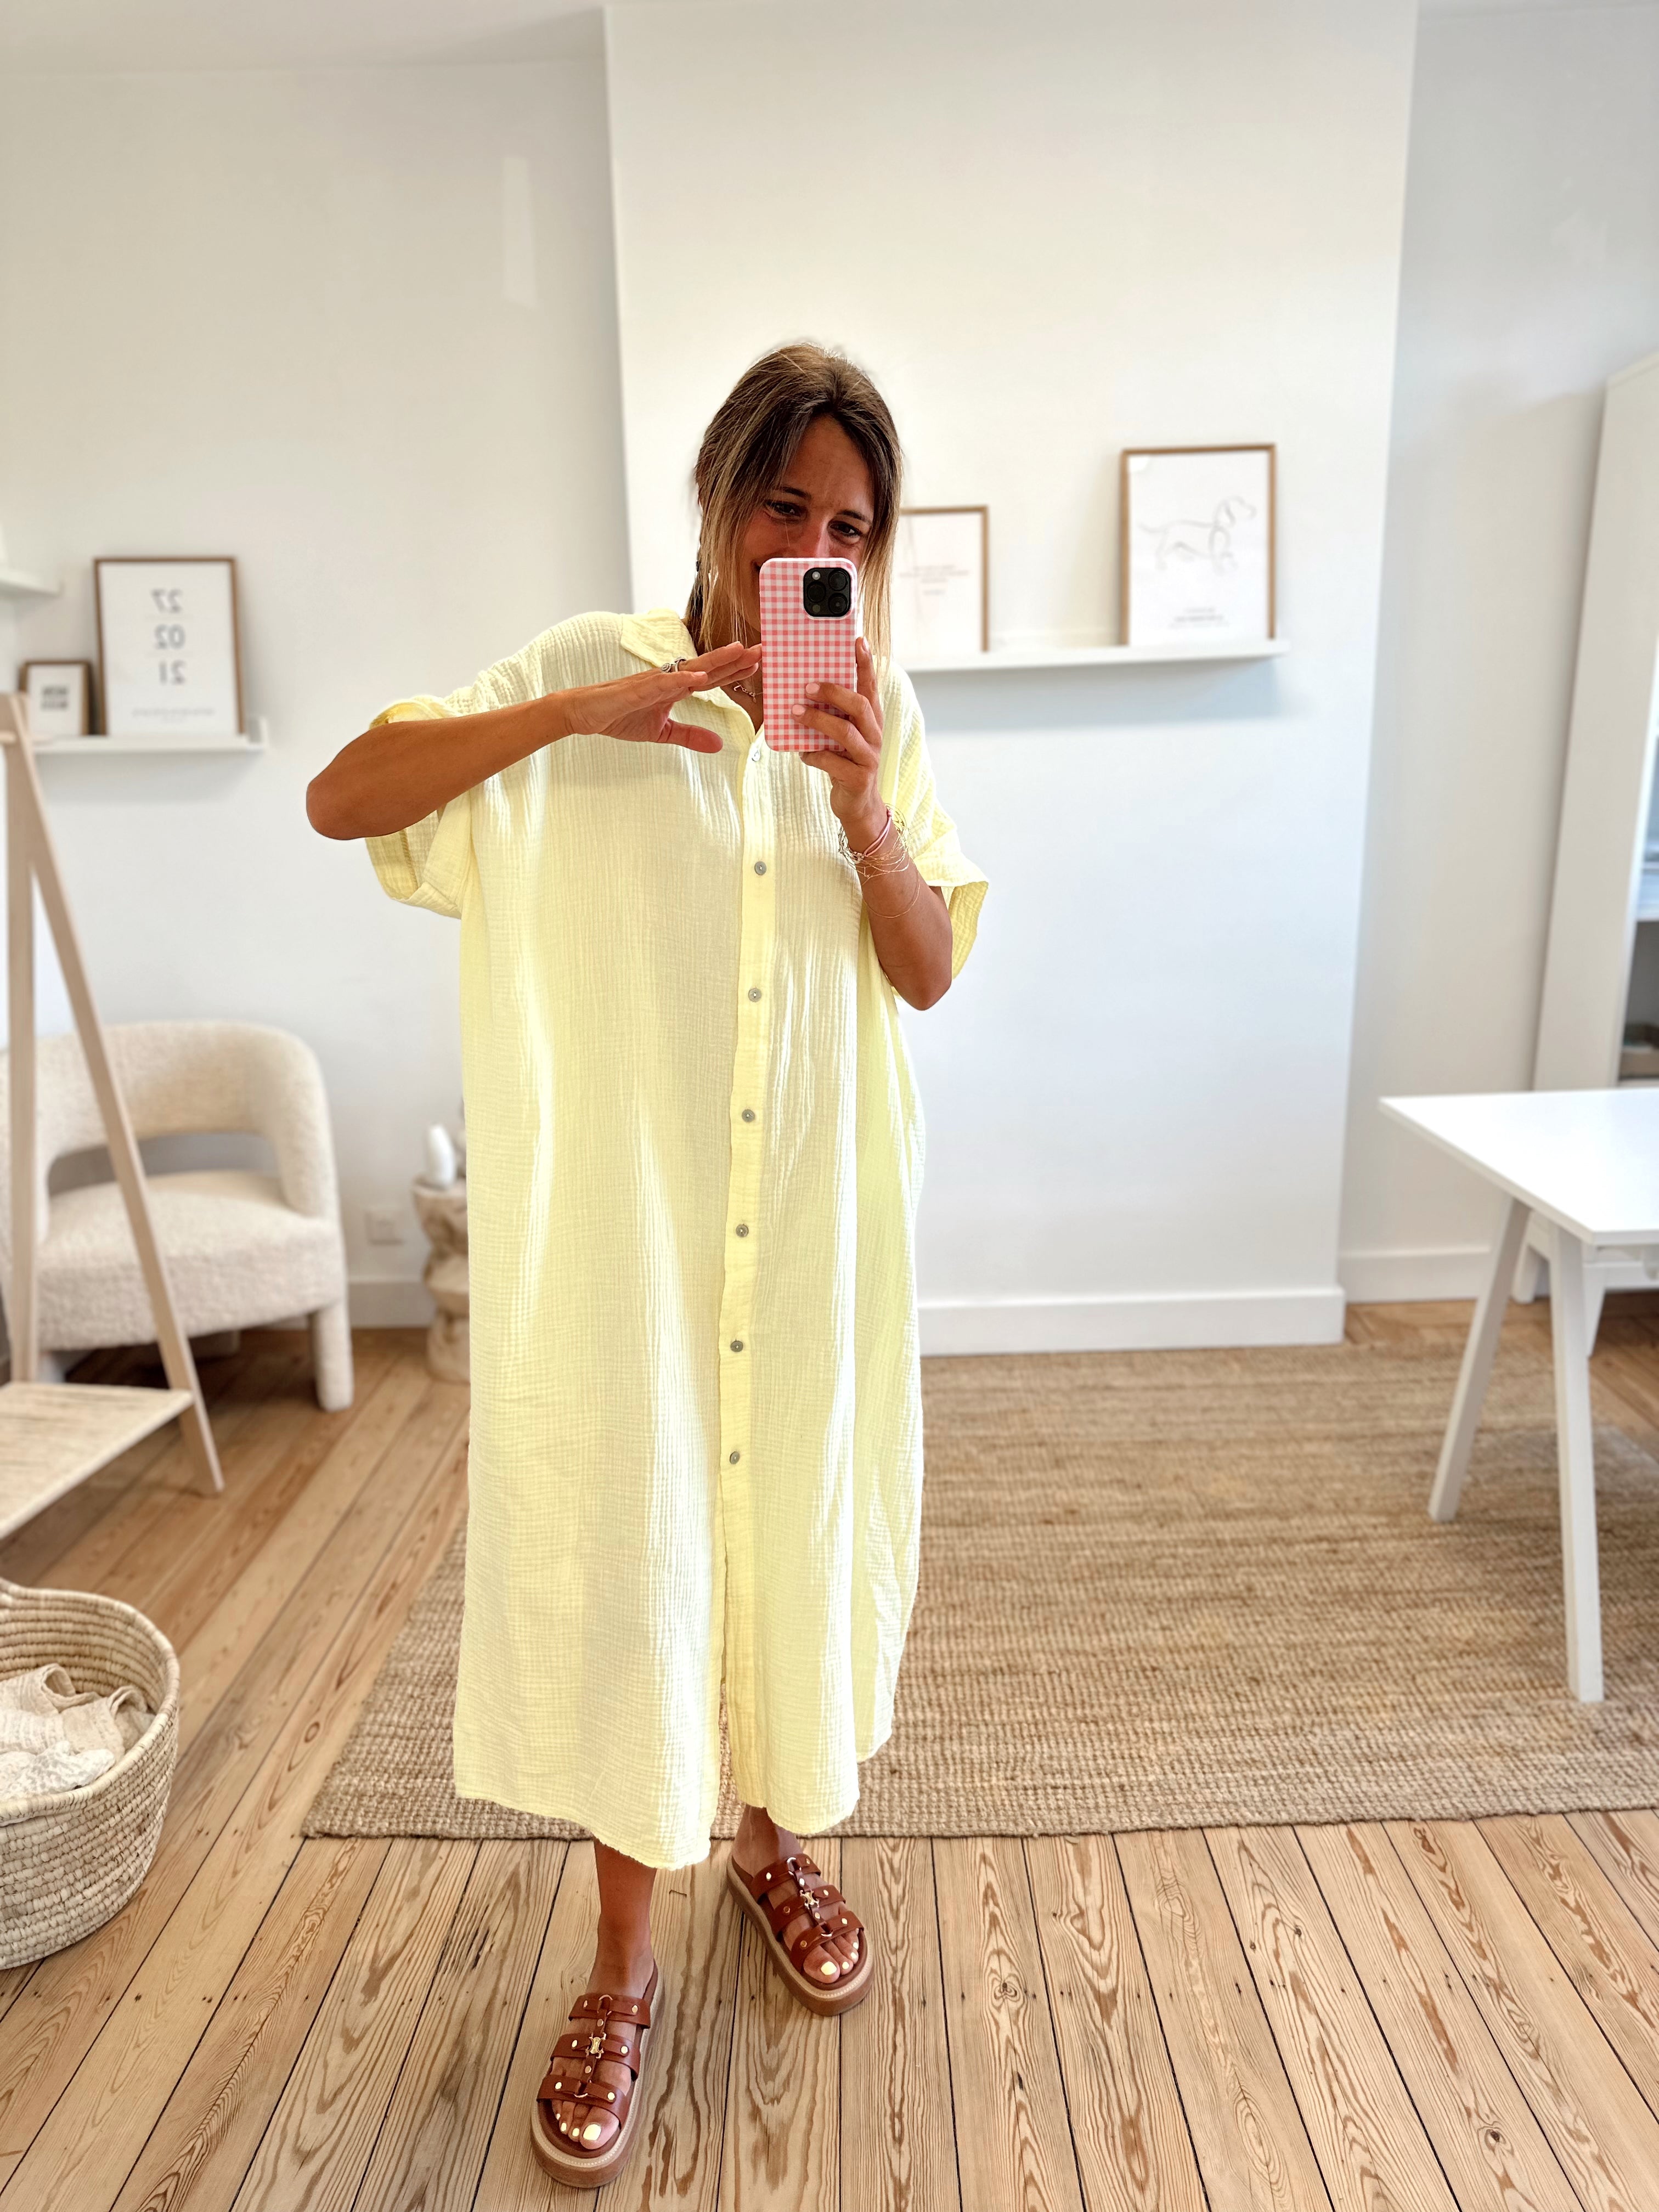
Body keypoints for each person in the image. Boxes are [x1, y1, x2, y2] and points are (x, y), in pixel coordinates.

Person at [306, 341, 989, 2185]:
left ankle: (773, 1844)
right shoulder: (578, 674)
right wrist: (588, 714)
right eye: (786, 505)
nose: (812, 550)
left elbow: (929, 970)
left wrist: (861, 808)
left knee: (782, 1544)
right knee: (641, 1568)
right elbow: (347, 799)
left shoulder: (880, 714)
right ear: (716, 493)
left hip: (814, 1227)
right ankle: (620, 1964)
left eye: (851, 528)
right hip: (629, 1243)